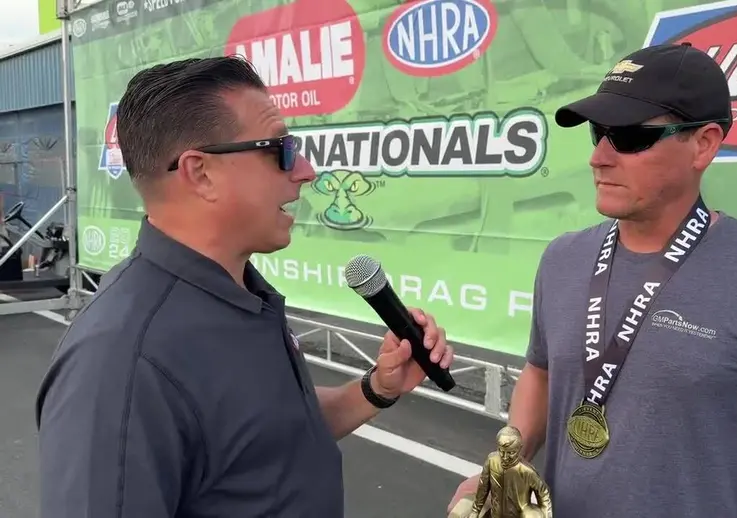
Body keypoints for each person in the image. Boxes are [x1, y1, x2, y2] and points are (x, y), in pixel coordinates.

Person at [449, 42, 737, 518]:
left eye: (628, 136)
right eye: (598, 132)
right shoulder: (563, 257)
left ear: (703, 144)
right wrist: (502, 470)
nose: (599, 157)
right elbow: (541, 375)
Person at [35, 55, 455, 518]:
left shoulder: (242, 293)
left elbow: (270, 431)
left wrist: (377, 388)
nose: (306, 170)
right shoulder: (121, 363)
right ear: (201, 173)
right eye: (281, 150)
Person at [457, 426, 552, 518]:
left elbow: (544, 494)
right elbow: (483, 487)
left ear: (519, 448)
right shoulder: (492, 461)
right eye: (502, 452)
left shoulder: (527, 472)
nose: (505, 457)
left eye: (511, 453)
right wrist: (475, 511)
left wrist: (545, 515)